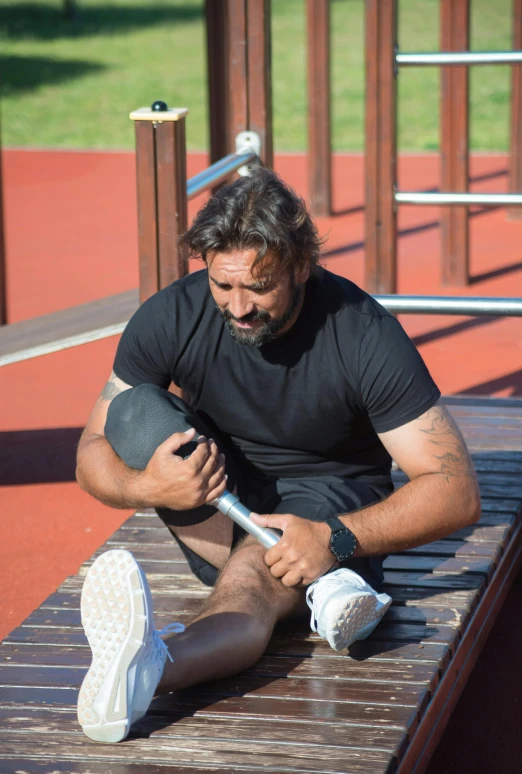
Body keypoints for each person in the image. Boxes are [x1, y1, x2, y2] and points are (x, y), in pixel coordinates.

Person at [75, 167, 480, 744]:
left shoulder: (363, 333)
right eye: (223, 285)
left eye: (258, 286)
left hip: (326, 506)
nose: (238, 307)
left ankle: (150, 669)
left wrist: (334, 539)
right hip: (217, 496)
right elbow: (89, 451)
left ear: (300, 265)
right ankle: (281, 591)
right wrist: (148, 489)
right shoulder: (172, 315)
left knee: (251, 575)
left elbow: (456, 488)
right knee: (133, 411)